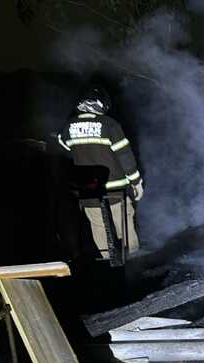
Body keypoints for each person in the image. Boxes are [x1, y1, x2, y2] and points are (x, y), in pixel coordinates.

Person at [58, 85, 143, 260]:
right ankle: (134, 262)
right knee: (124, 224)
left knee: (98, 227)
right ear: (101, 104)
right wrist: (136, 182)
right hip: (115, 187)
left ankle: (108, 264)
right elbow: (125, 155)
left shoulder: (68, 126)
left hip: (88, 189)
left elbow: (64, 144)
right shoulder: (109, 124)